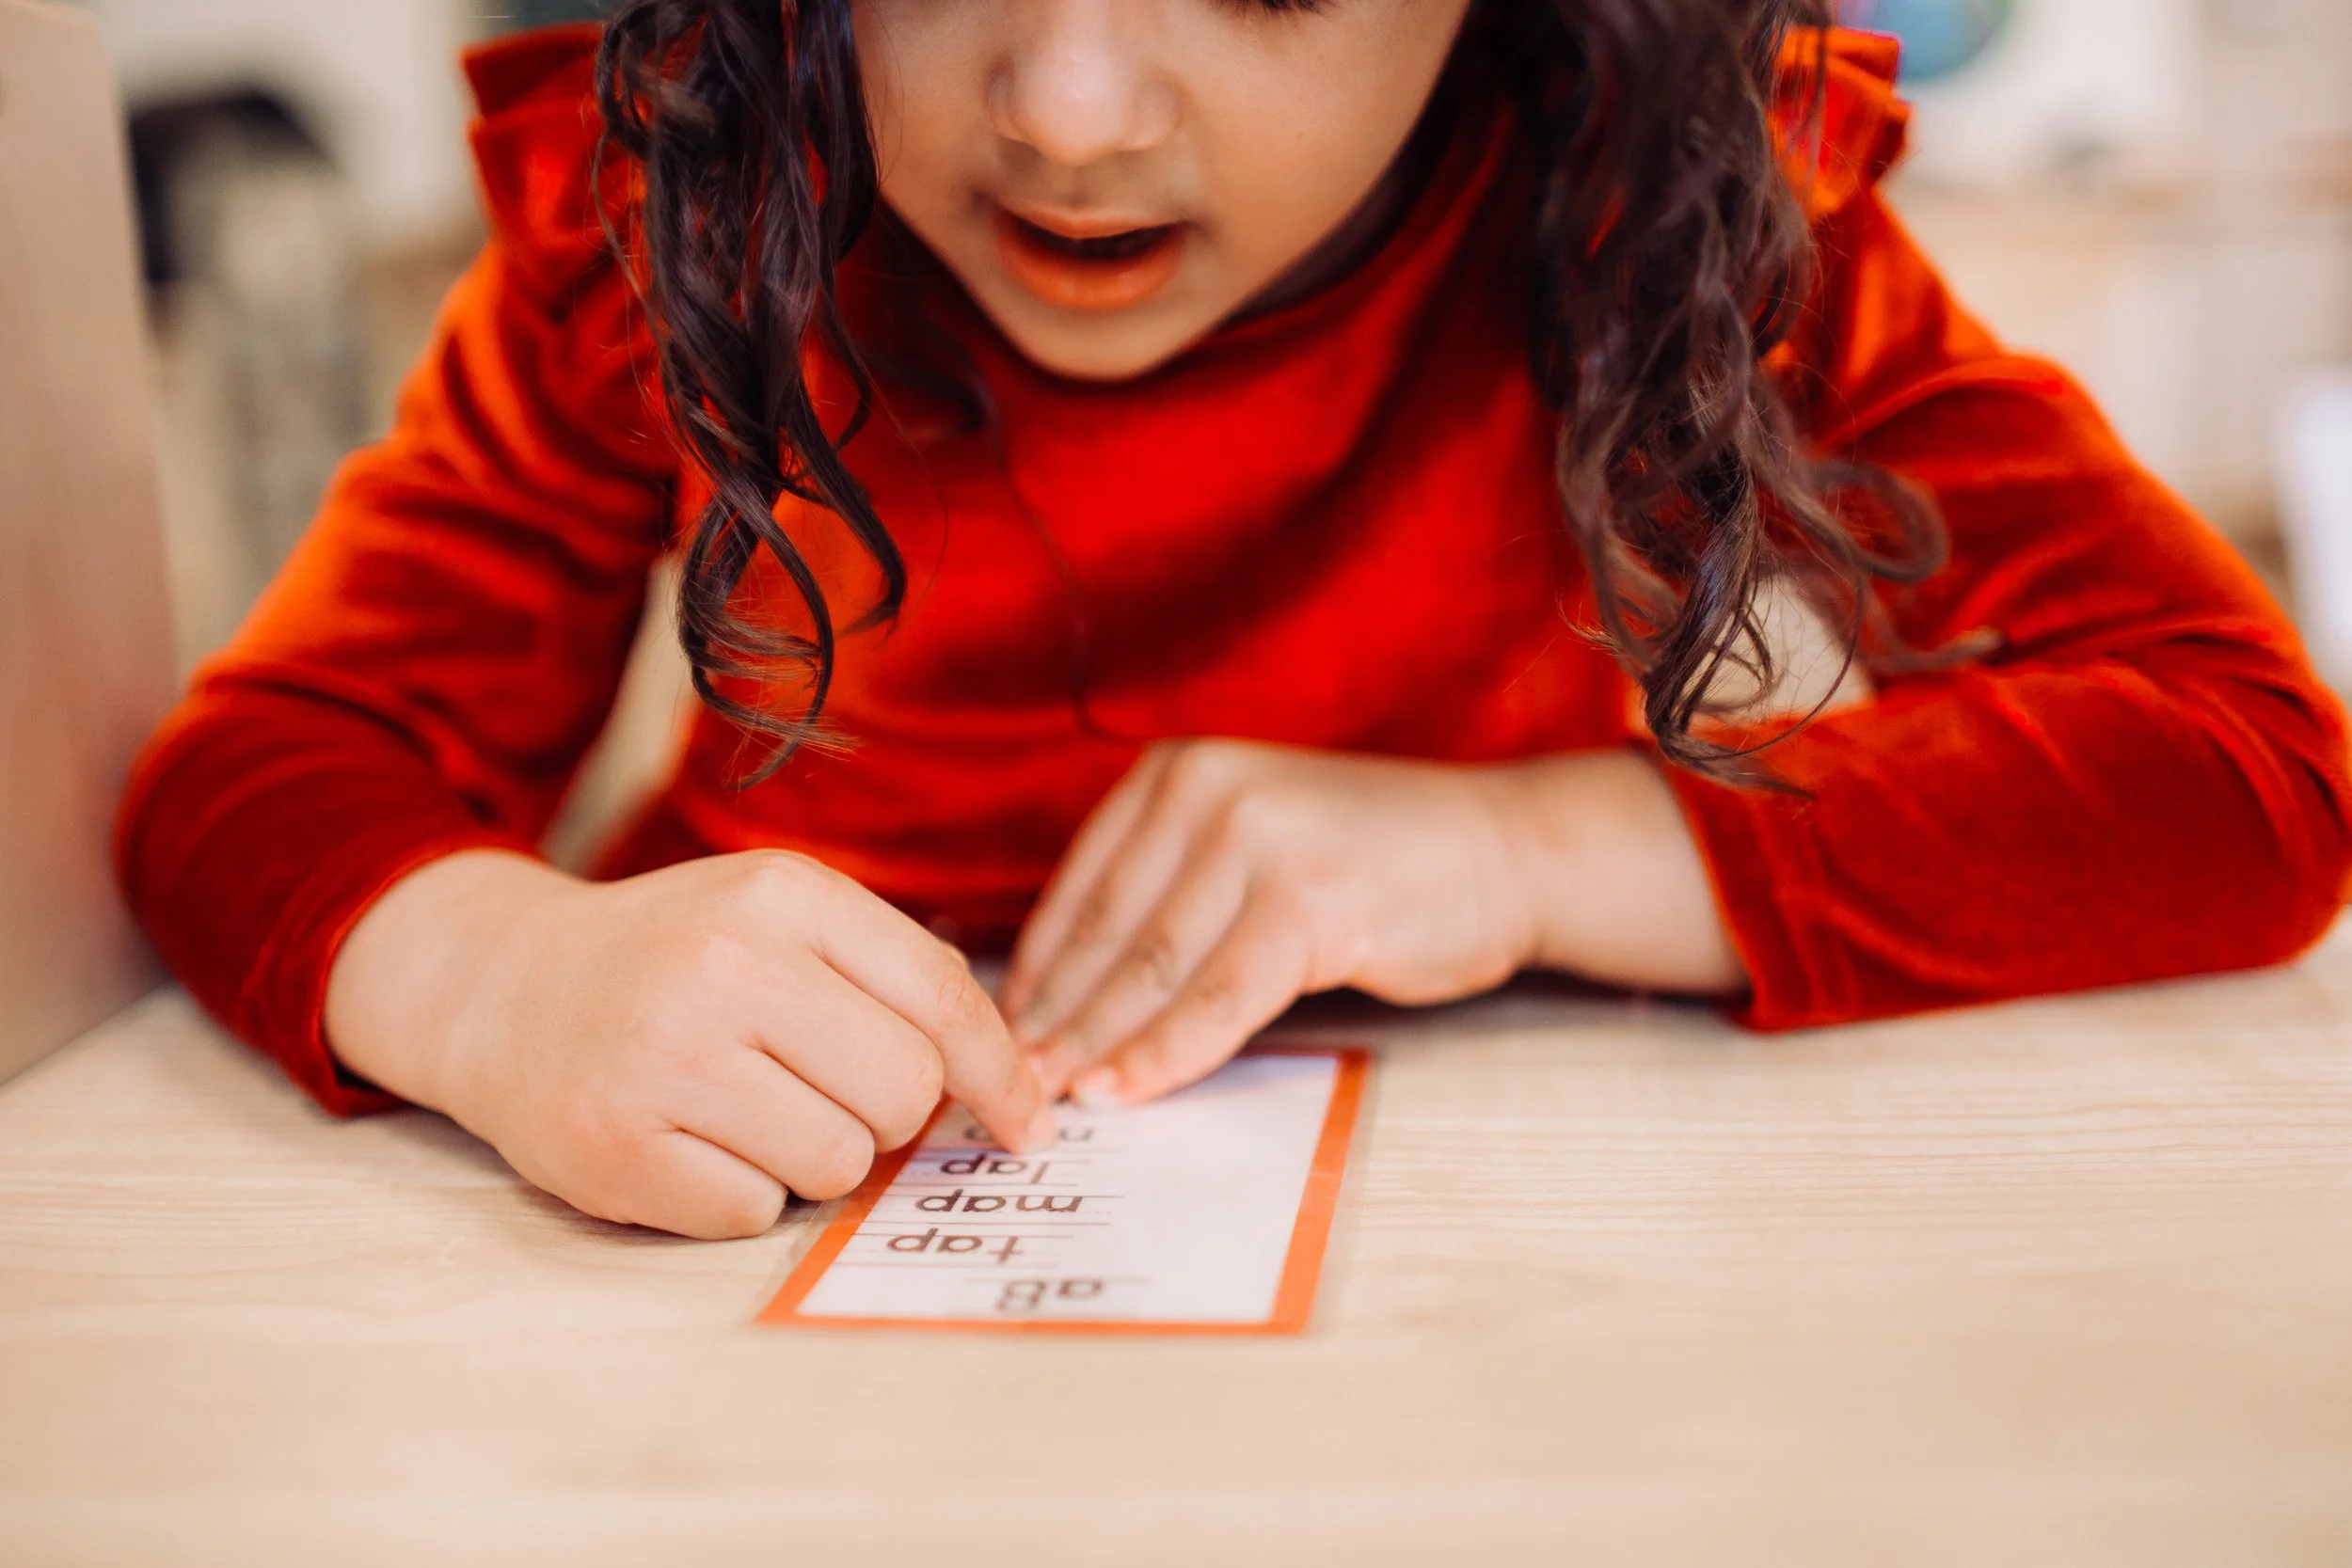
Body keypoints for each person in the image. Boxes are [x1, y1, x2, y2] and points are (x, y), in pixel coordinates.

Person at [116, 1, 2351, 1241]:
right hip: (723, 1290)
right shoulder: (681, 201)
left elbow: (2242, 761)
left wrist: (1529, 849)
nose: (1068, 110)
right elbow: (266, 758)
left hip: (1504, 1285)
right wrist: (500, 978)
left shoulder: (1666, 190)